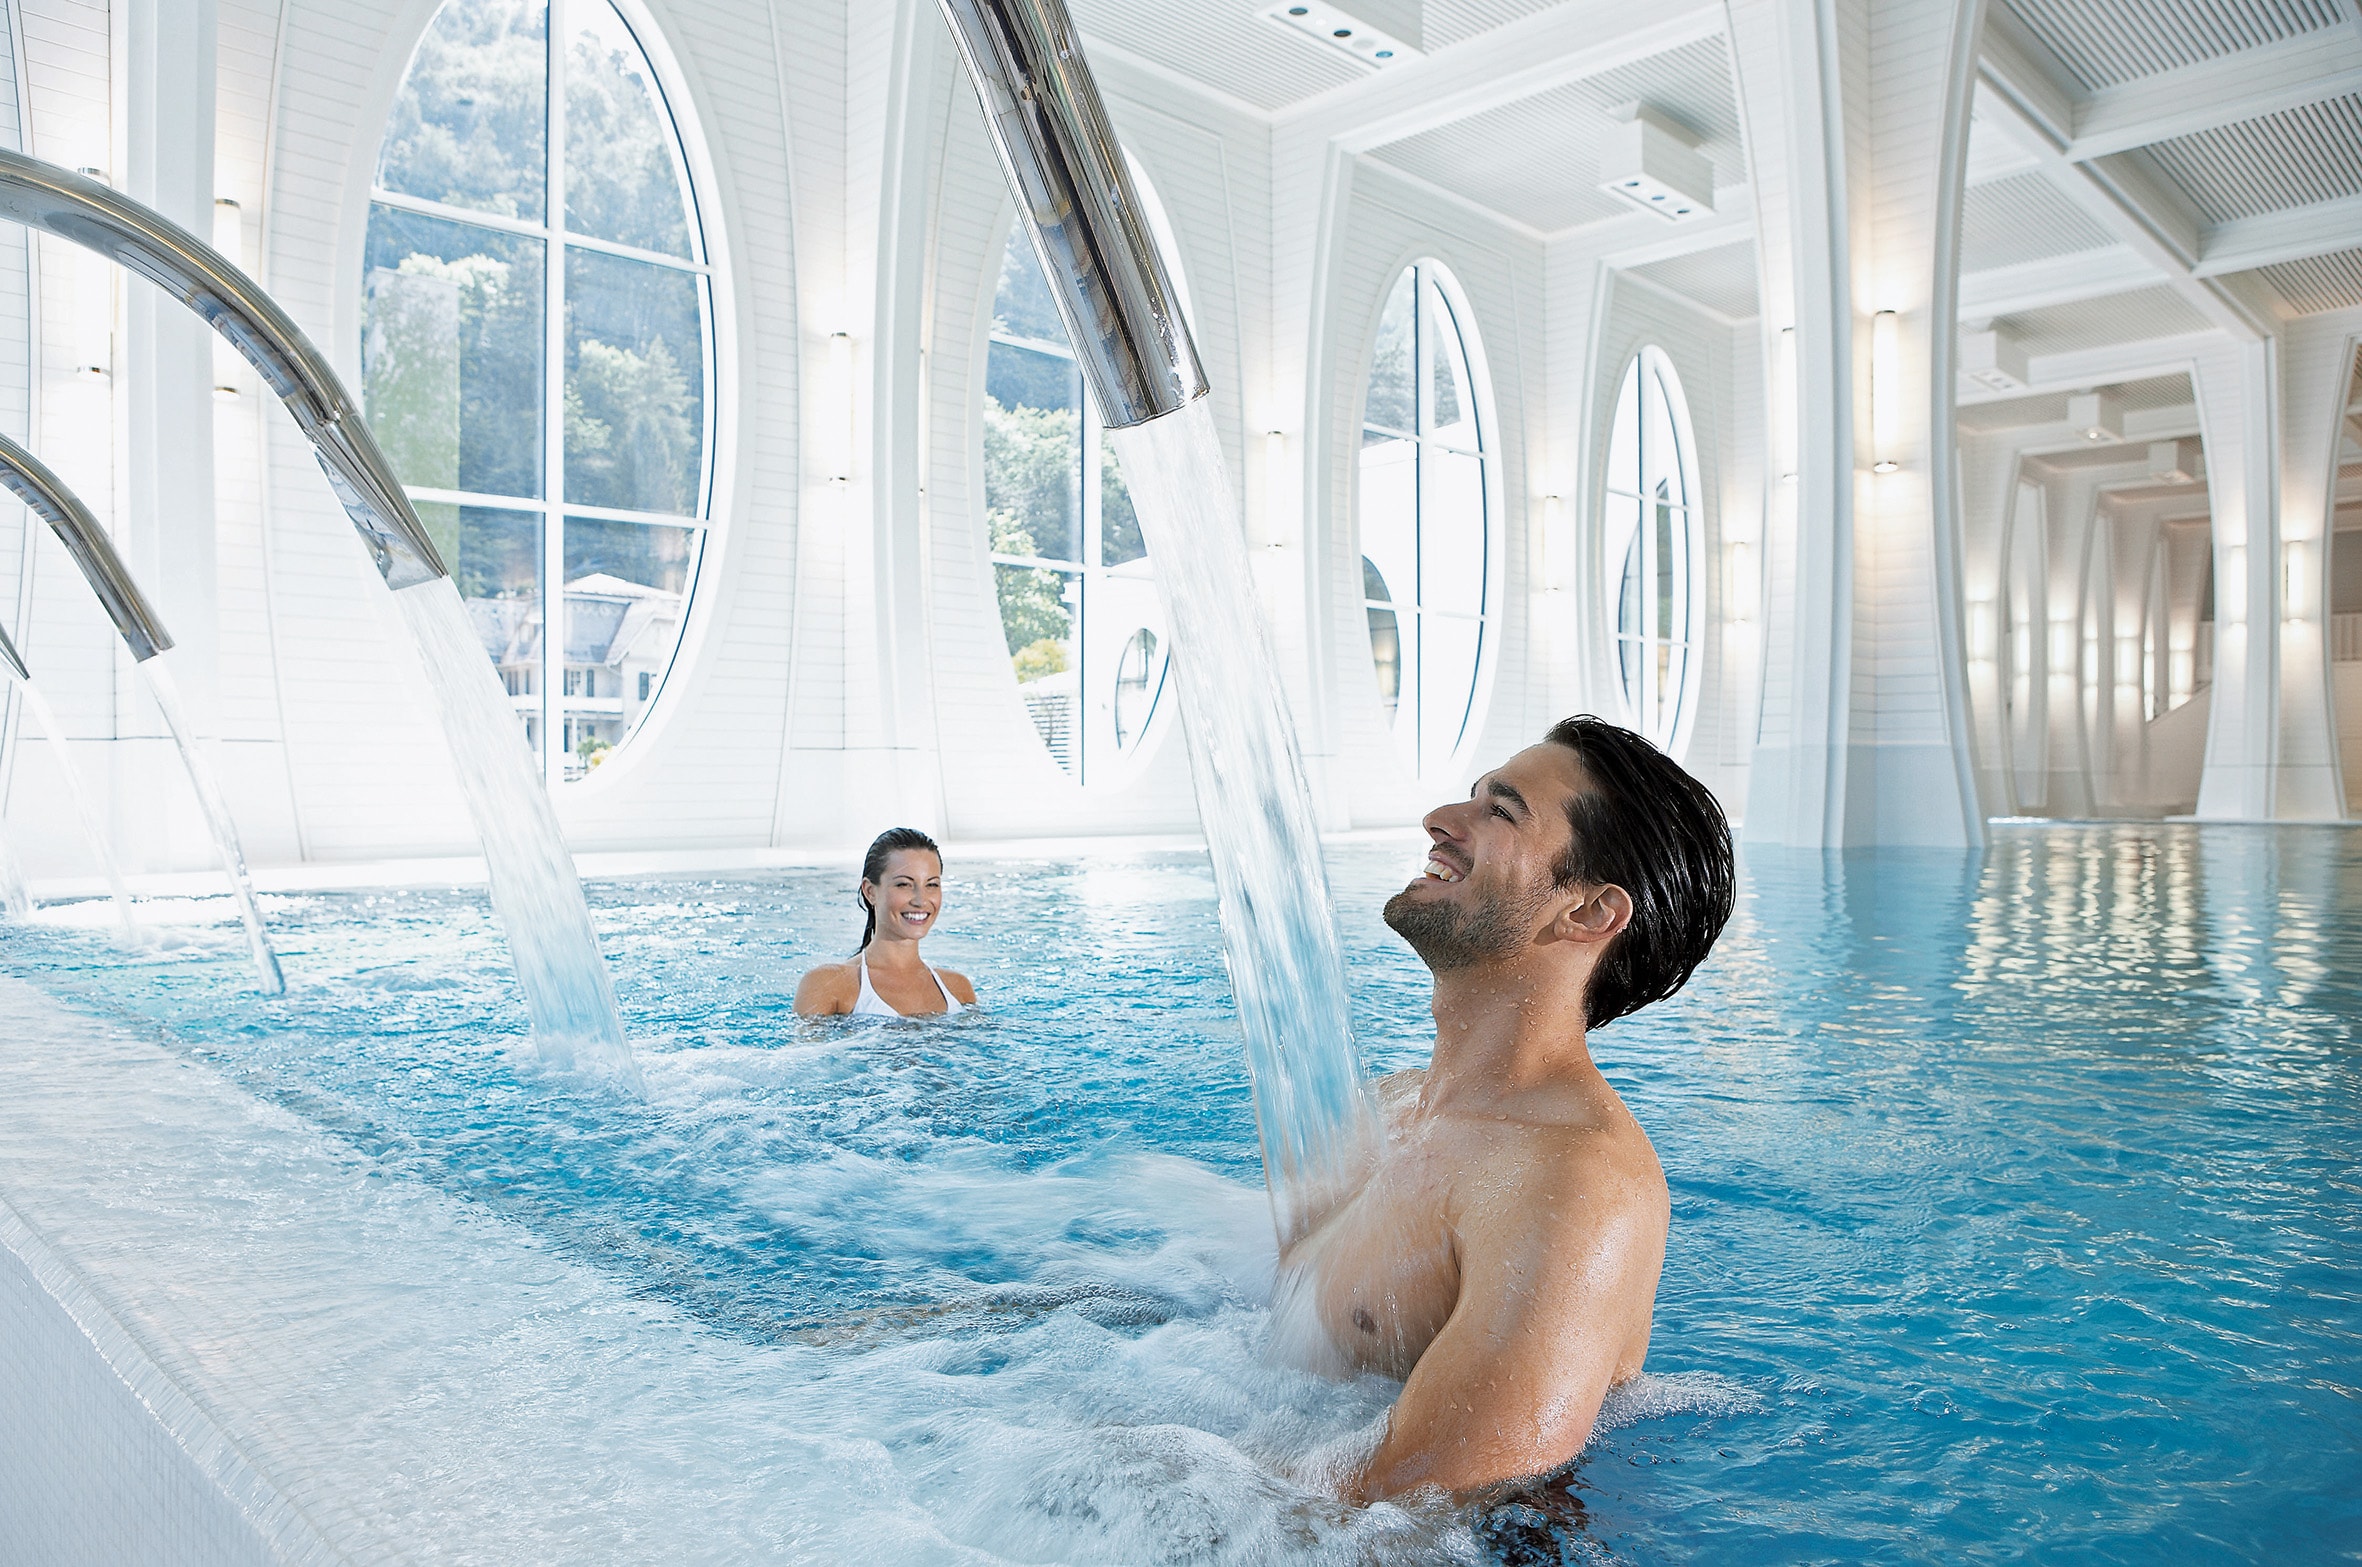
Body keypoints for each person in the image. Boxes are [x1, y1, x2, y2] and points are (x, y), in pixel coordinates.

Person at [1282, 715, 1733, 1502]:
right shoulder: (1392, 1104)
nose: (1442, 820)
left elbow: (1408, 1506)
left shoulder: (1575, 1186)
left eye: (1502, 811)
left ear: (1589, 913)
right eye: (1473, 797)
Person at [793, 828, 979, 1018]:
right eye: (903, 884)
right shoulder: (830, 984)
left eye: (931, 885)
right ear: (870, 891)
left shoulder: (957, 988)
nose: (921, 901)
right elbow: (804, 1047)